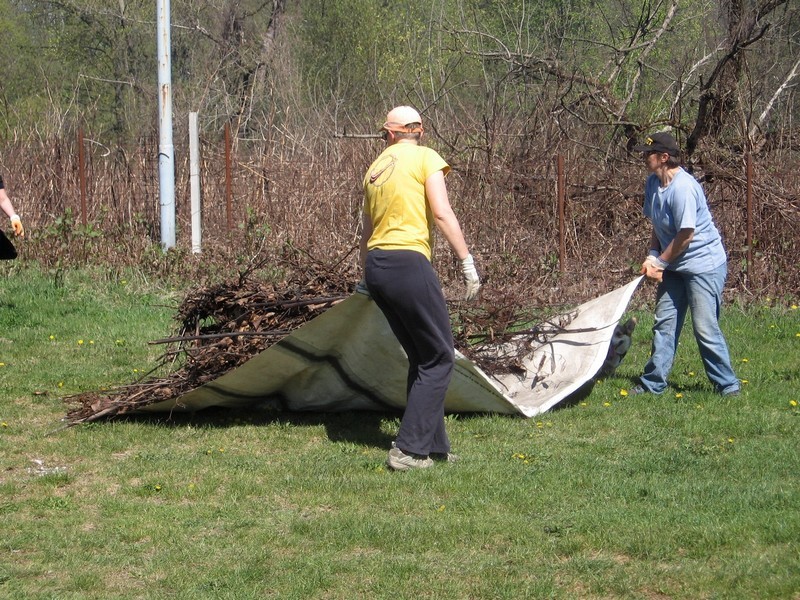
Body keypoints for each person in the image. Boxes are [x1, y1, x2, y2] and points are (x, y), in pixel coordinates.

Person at [360, 105, 481, 471]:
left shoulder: (375, 169)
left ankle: (431, 445)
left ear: (389, 133)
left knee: (423, 355)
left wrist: (365, 275)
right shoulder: (426, 158)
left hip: (378, 266)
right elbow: (441, 212)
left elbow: (367, 229)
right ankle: (409, 451)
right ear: (420, 131)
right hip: (408, 263)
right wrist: (466, 261)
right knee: (440, 357)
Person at [630, 132, 739, 397]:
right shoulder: (652, 182)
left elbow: (686, 235)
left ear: (664, 157)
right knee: (664, 323)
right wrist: (652, 255)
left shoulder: (683, 188)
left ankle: (728, 385)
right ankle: (654, 383)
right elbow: (657, 224)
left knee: (704, 328)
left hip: (703, 265)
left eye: (649, 153)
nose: (644, 157)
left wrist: (661, 262)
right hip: (674, 265)